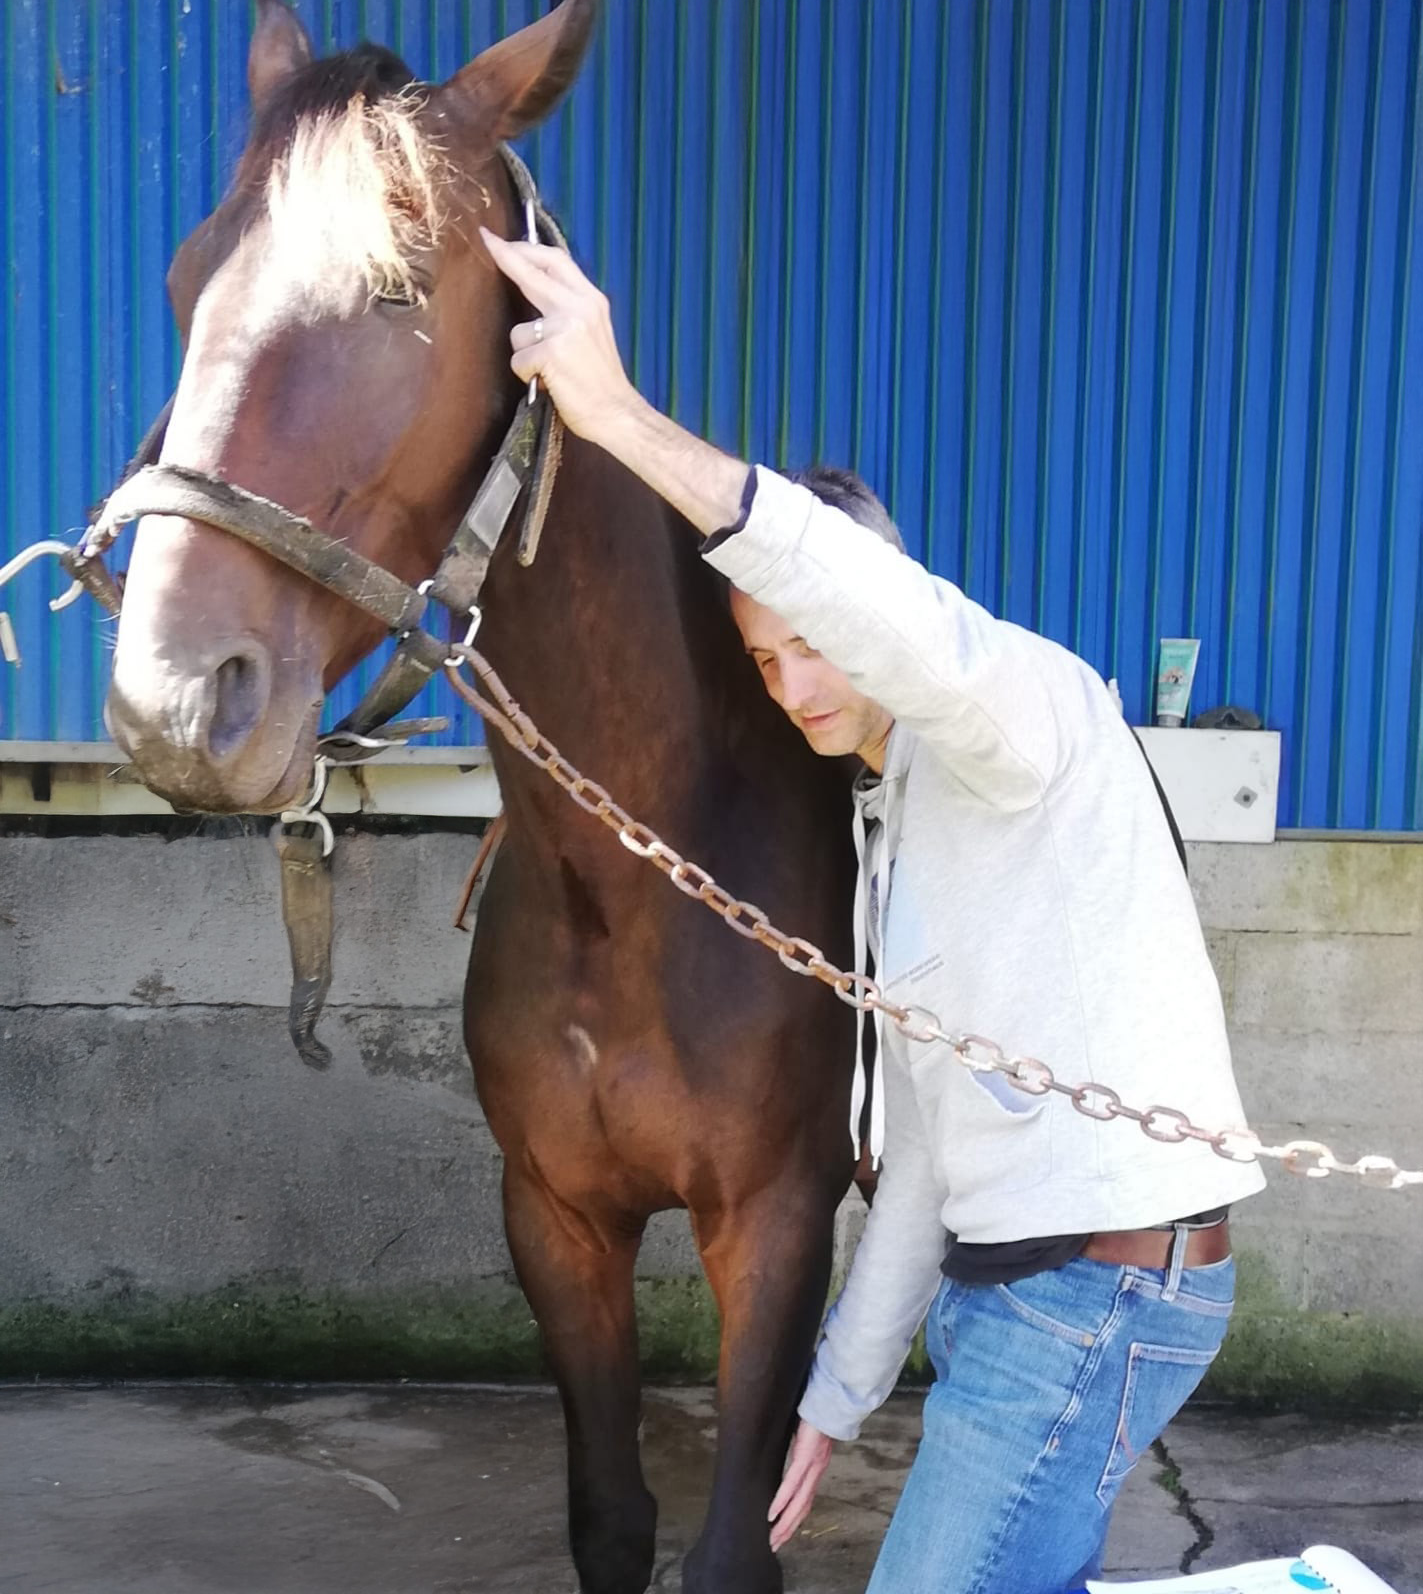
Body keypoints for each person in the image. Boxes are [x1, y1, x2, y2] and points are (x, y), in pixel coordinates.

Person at [480, 229, 1266, 1594]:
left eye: (820, 640)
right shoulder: (890, 845)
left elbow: (893, 623)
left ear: (892, 608)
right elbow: (921, 1169)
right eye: (766, 657)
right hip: (1010, 1295)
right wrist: (832, 1404)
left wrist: (614, 421)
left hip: (1099, 1293)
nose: (795, 685)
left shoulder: (1029, 713)